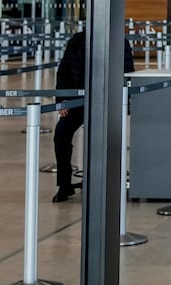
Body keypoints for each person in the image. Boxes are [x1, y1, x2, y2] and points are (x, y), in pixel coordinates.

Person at [53, 27, 135, 203]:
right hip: (78, 101)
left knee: (106, 140)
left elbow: (128, 74)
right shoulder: (76, 41)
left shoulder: (120, 42)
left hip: (108, 102)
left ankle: (106, 182)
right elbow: (64, 70)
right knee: (61, 134)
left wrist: (125, 103)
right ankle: (64, 184)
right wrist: (62, 100)